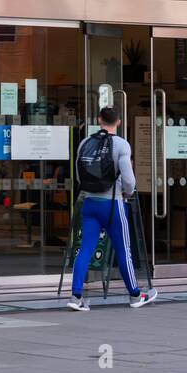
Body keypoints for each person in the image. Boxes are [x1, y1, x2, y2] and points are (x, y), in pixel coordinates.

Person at [67, 106, 158, 311]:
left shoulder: (85, 143)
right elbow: (128, 178)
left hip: (89, 203)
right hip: (113, 205)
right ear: (118, 121)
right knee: (123, 250)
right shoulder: (121, 144)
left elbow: (79, 176)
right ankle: (135, 295)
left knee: (85, 249)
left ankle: (75, 296)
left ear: (99, 120)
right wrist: (129, 192)